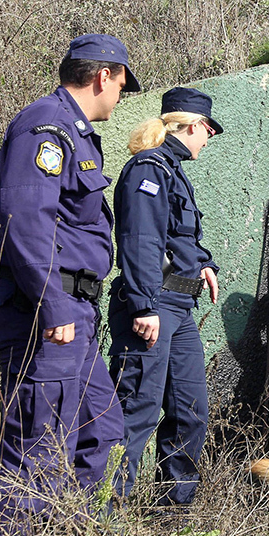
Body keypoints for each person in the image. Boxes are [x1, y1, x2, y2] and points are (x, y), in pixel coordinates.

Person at [0, 33, 141, 536]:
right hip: (48, 315)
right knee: (39, 446)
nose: (121, 97)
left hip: (76, 314)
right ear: (103, 77)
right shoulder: (45, 126)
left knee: (103, 428)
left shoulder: (77, 132)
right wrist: (54, 304)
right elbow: (23, 221)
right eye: (121, 85)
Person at [106, 87, 222, 508]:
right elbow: (140, 241)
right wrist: (143, 306)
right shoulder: (148, 169)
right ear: (191, 125)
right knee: (136, 412)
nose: (208, 139)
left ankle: (174, 513)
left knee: (190, 410)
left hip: (178, 307)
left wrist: (203, 263)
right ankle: (103, 515)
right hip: (153, 306)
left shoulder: (171, 170)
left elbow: (178, 235)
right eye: (208, 130)